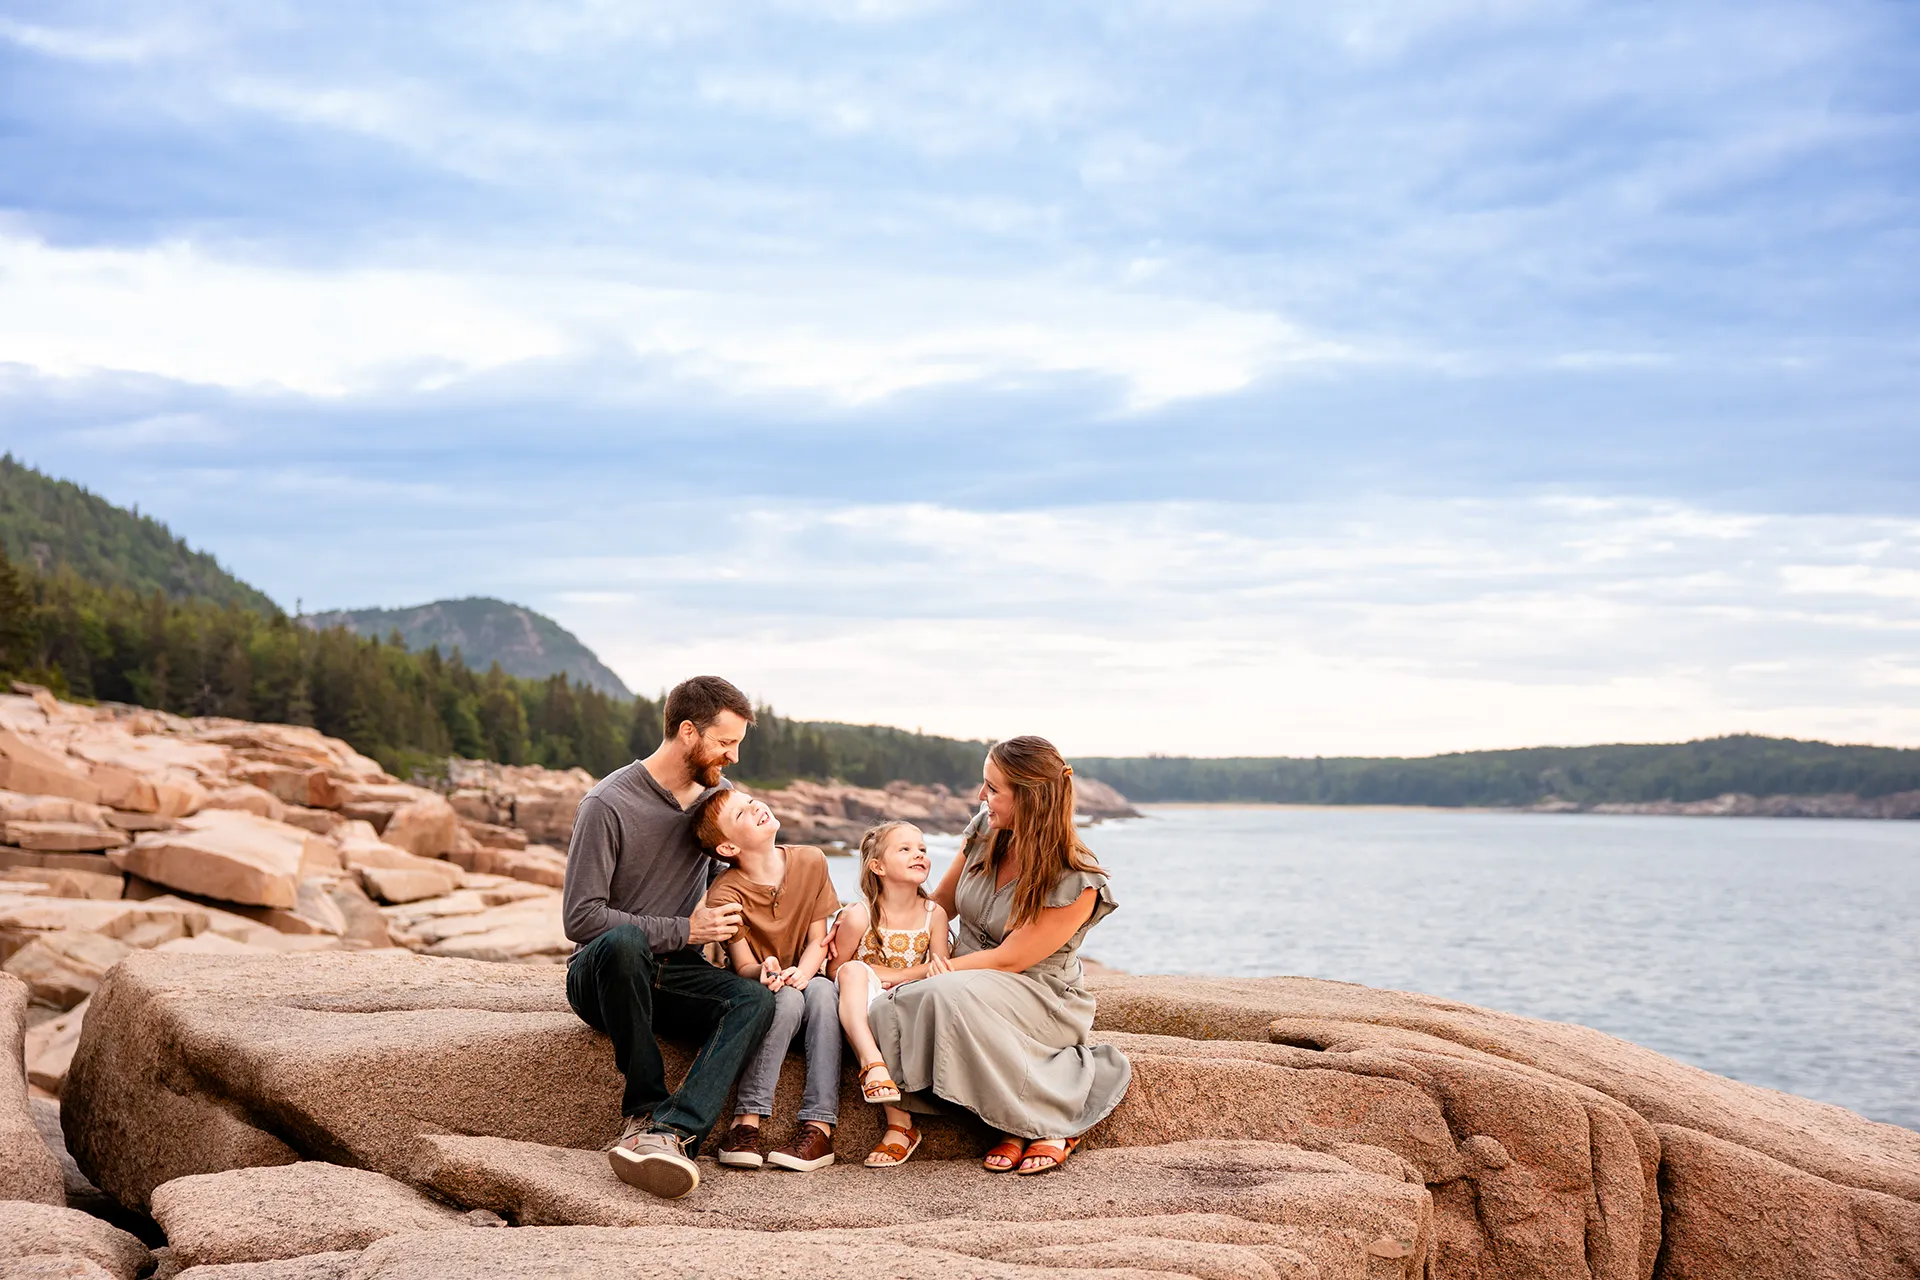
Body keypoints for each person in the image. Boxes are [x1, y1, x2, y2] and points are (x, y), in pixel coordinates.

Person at [866, 735, 1130, 1174]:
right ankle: (1005, 1121)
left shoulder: (1077, 877)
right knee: (883, 1005)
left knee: (940, 994)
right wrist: (873, 928)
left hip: (1038, 994)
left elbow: (1010, 959)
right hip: (960, 975)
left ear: (1029, 798)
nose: (981, 796)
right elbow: (940, 904)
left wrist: (916, 972)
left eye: (992, 788)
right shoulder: (987, 829)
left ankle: (1044, 1121)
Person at [561, 675, 775, 1200]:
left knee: (752, 1000)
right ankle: (642, 1111)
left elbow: (733, 886)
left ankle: (672, 1133)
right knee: (624, 943)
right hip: (606, 973)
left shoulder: (718, 805)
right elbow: (581, 919)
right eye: (725, 743)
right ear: (687, 732)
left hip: (676, 972)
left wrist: (756, 958)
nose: (733, 758)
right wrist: (685, 929)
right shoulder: (607, 804)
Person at [697, 789, 844, 1172]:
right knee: (789, 999)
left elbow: (819, 940)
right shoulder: (724, 893)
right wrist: (764, 972)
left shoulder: (812, 861)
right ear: (728, 847)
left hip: (809, 976)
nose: (757, 806)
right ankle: (746, 1122)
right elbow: (743, 964)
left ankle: (819, 1127)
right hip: (770, 988)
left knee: (825, 993)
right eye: (742, 812)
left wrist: (805, 971)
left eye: (752, 800)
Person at [823, 821, 952, 1167]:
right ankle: (877, 1075)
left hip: (910, 1000)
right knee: (852, 971)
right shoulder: (858, 915)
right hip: (864, 1005)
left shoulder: (933, 914)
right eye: (905, 849)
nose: (919, 855)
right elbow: (835, 971)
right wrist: (878, 977)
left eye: (922, 849)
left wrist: (898, 975)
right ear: (877, 866)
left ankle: (895, 1107)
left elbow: (939, 968)